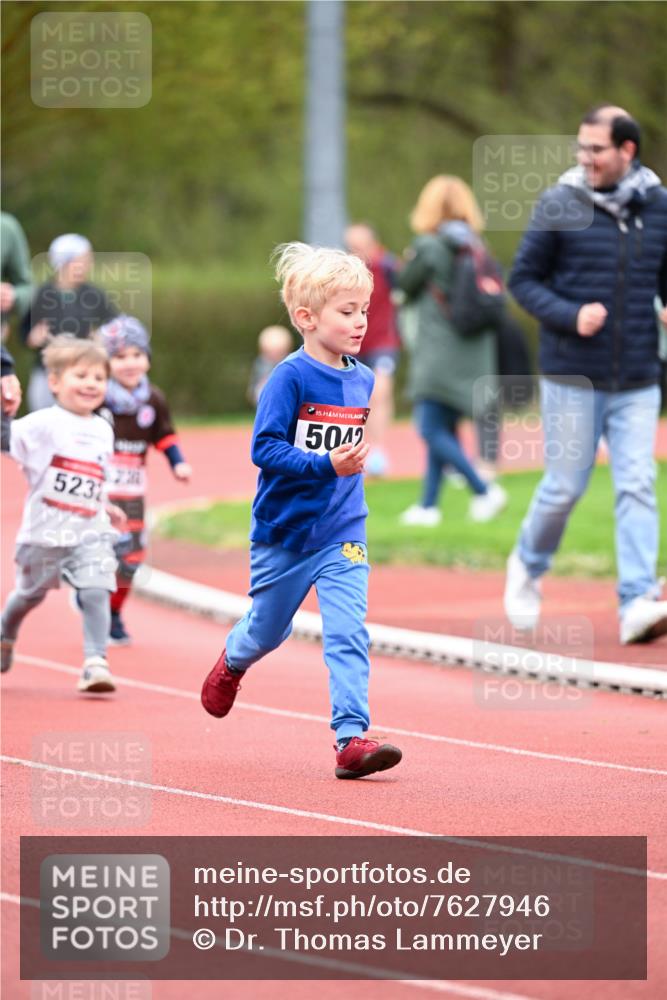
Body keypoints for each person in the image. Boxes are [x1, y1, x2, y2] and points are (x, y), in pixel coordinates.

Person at [200, 242, 402, 781]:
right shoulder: (288, 378)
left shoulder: (362, 379)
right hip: (284, 534)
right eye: (347, 311)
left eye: (364, 309)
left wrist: (348, 466)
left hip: (343, 531)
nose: (361, 322)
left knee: (347, 631)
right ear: (306, 318)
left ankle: (351, 738)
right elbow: (263, 450)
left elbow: (347, 456)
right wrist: (325, 464)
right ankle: (233, 660)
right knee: (268, 631)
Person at [504, 105, 667, 645]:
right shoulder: (559, 203)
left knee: (638, 483)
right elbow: (522, 280)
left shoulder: (659, 206)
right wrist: (571, 314)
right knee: (564, 488)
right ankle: (527, 565)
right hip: (574, 375)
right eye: (581, 147)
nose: (585, 157)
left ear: (627, 151)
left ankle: (637, 601)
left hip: (639, 376)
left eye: (596, 148)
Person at [0, 335, 126, 691]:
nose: (91, 384)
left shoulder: (103, 428)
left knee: (97, 588)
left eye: (99, 378)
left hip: (89, 531)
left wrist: (105, 504)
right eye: (81, 376)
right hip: (44, 533)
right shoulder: (42, 423)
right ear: (54, 382)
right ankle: (5, 632)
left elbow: (96, 476)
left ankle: (95, 662)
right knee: (29, 595)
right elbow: (5, 439)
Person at [396, 176, 507, 526]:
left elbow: (403, 286)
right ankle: (428, 506)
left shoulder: (428, 247)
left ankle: (483, 490)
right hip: (473, 353)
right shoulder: (476, 245)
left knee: (429, 427)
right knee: (443, 426)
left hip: (439, 353)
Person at [98, 315, 192, 645]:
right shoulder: (95, 397)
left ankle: (113, 613)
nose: (129, 363)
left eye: (137, 355)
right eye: (120, 356)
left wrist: (177, 464)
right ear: (105, 362)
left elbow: (164, 436)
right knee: (94, 556)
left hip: (132, 496)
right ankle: (91, 601)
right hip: (97, 494)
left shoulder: (153, 399)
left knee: (131, 559)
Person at [21, 233, 117, 411]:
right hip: (47, 374)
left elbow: (115, 326)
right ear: (65, 263)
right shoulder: (42, 294)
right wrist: (32, 338)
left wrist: (102, 337)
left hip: (85, 373)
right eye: (84, 259)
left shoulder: (94, 294)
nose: (89, 265)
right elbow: (25, 332)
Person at [345, 223, 401, 477]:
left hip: (383, 341)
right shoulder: (345, 272)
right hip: (354, 342)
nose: (355, 251)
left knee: (380, 391)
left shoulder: (389, 266)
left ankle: (378, 450)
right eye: (351, 246)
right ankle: (360, 450)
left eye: (359, 245)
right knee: (357, 398)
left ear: (372, 243)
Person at [247, 324, 293, 405]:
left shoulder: (291, 364)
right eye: (270, 353)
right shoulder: (260, 364)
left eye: (279, 353)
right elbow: (254, 386)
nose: (274, 356)